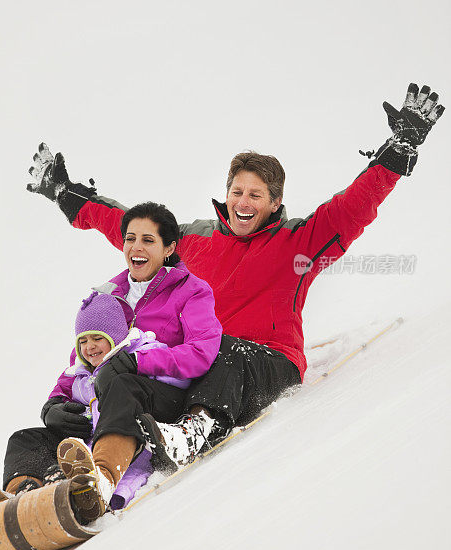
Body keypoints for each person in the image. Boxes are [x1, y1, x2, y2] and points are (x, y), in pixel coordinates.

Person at [27, 83, 445, 466]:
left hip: (267, 364)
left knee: (226, 348)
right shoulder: (193, 240)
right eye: (237, 192)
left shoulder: (297, 242)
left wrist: (398, 150)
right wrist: (68, 196)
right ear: (226, 195)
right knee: (126, 371)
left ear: (274, 202)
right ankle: (61, 471)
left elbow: (352, 208)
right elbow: (128, 225)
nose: (243, 202)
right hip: (201, 369)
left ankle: (194, 431)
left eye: (255, 195)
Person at [0, 202, 223, 523]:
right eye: (130, 238)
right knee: (26, 438)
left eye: (148, 240)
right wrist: (55, 405)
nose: (136, 247)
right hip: (103, 405)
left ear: (169, 247)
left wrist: (137, 362)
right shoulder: (108, 296)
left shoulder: (191, 291)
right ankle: (24, 494)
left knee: (121, 387)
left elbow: (201, 353)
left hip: (157, 398)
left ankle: (101, 479)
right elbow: (81, 362)